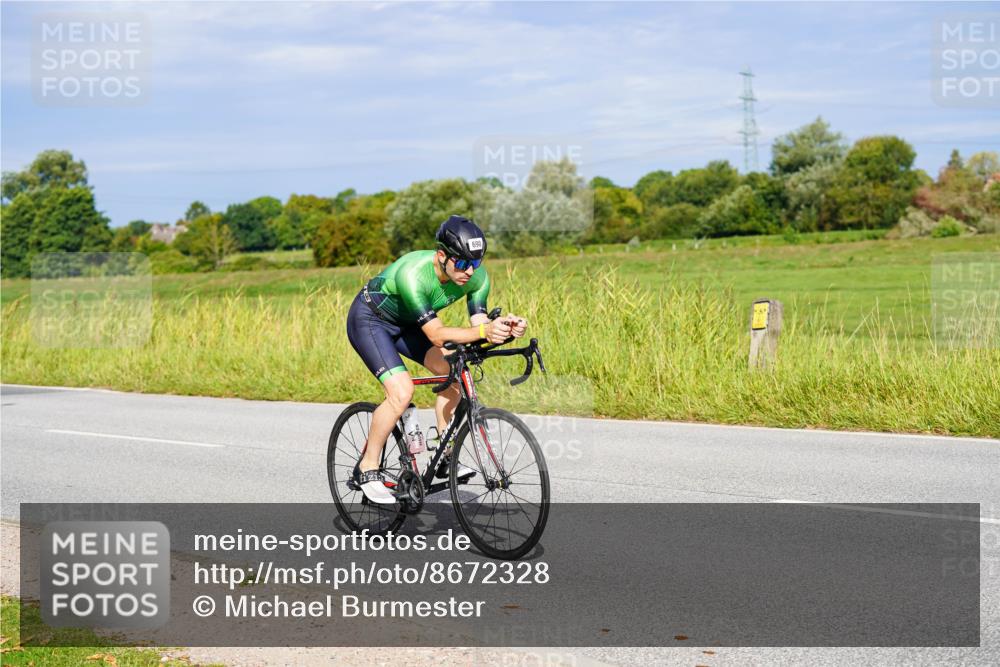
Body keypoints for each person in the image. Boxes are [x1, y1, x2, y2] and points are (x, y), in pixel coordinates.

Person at [345, 215, 527, 504]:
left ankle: (443, 454)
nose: (470, 271)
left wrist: (503, 330)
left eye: (476, 263)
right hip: (371, 321)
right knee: (401, 392)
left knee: (453, 374)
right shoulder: (414, 274)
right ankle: (368, 467)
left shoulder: (476, 277)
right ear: (442, 256)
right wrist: (483, 330)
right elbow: (438, 335)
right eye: (463, 263)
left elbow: (478, 322)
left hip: (409, 324)